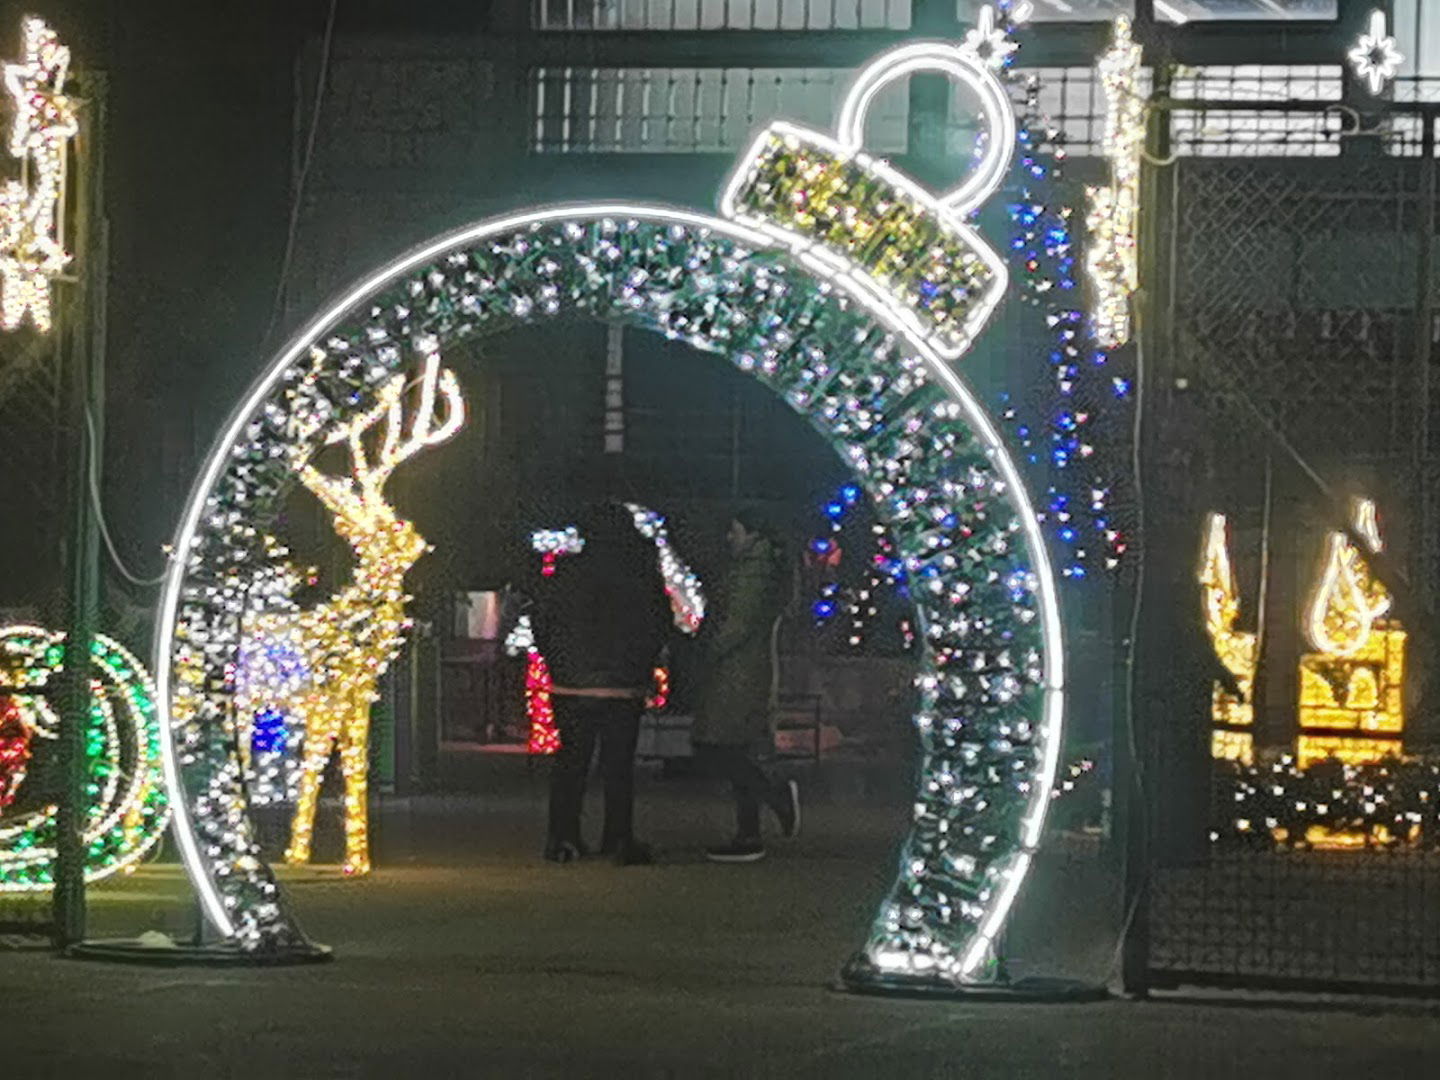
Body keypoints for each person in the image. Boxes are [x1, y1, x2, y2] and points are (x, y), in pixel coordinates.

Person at [527, 500, 670, 865]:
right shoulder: (641, 571)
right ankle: (618, 838)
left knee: (571, 763)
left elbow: (542, 619)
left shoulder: (565, 572)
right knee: (618, 766)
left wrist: (556, 660)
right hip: (623, 685)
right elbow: (659, 623)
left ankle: (562, 837)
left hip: (570, 683)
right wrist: (645, 665)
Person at [693, 509, 800, 863]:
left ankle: (772, 798)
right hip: (745, 670)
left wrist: (706, 652)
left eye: (734, 531)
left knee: (718, 746)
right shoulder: (761, 568)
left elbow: (737, 623)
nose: (729, 538)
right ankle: (749, 831)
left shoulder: (752, 572)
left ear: (751, 534)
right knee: (737, 749)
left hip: (737, 672)